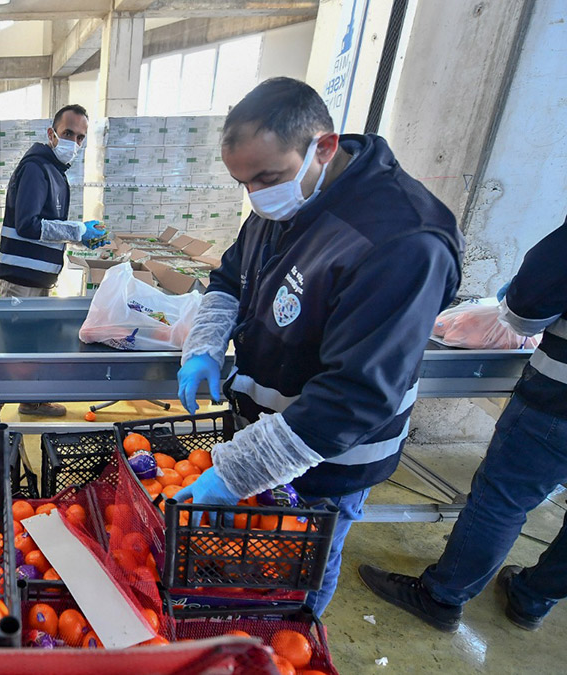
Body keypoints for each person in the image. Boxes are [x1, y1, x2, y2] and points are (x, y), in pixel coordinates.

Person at [174, 77, 463, 616]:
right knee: (252, 566)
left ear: (324, 147)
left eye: (265, 178)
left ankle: (293, 639)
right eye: (243, 182)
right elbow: (231, 278)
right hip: (268, 436)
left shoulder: (402, 241)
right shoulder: (287, 199)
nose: (256, 195)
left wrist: (236, 472)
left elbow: (355, 396)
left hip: (331, 456)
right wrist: (205, 345)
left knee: (299, 576)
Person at [360, 214, 567, 632]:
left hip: (558, 404)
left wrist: (515, 309)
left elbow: (528, 303)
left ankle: (441, 596)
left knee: (503, 499)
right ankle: (533, 599)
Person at [0, 103, 109, 422]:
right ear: (52, 134)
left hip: (39, 277)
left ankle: (33, 401)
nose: (74, 143)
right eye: (68, 133)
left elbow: (48, 226)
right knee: (13, 347)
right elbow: (28, 225)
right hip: (20, 277)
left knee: (34, 345)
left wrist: (79, 236)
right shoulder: (36, 169)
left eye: (80, 138)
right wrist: (77, 231)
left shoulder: (55, 172)